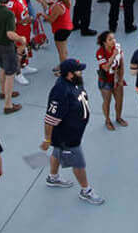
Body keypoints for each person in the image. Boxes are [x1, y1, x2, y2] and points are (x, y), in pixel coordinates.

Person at [41, 58, 103, 204]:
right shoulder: (60, 91)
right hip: (67, 136)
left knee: (57, 151)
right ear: (69, 74)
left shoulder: (74, 82)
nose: (81, 72)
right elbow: (50, 118)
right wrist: (47, 139)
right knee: (78, 162)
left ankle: (53, 177)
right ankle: (85, 190)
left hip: (73, 132)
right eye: (78, 70)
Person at [94, 30, 128, 129]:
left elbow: (121, 64)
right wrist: (113, 55)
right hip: (105, 81)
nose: (113, 41)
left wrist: (121, 79)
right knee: (107, 101)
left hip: (116, 79)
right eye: (110, 39)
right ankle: (107, 120)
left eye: (113, 38)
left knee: (119, 100)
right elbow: (105, 68)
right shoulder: (100, 53)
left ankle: (118, 117)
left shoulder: (118, 48)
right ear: (104, 42)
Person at [39, 0, 74, 64]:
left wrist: (43, 15)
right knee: (64, 50)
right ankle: (63, 64)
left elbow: (51, 20)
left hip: (60, 30)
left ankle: (63, 69)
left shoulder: (57, 6)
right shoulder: (64, 3)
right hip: (67, 28)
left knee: (61, 52)